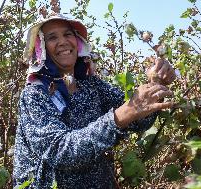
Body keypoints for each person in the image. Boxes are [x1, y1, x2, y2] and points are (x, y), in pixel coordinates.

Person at [13, 13, 176, 189]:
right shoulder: (35, 94)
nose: (63, 42)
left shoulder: (90, 85)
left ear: (78, 42)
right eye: (52, 37)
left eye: (68, 34)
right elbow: (60, 152)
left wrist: (155, 84)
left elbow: (137, 119)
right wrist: (123, 114)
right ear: (41, 48)